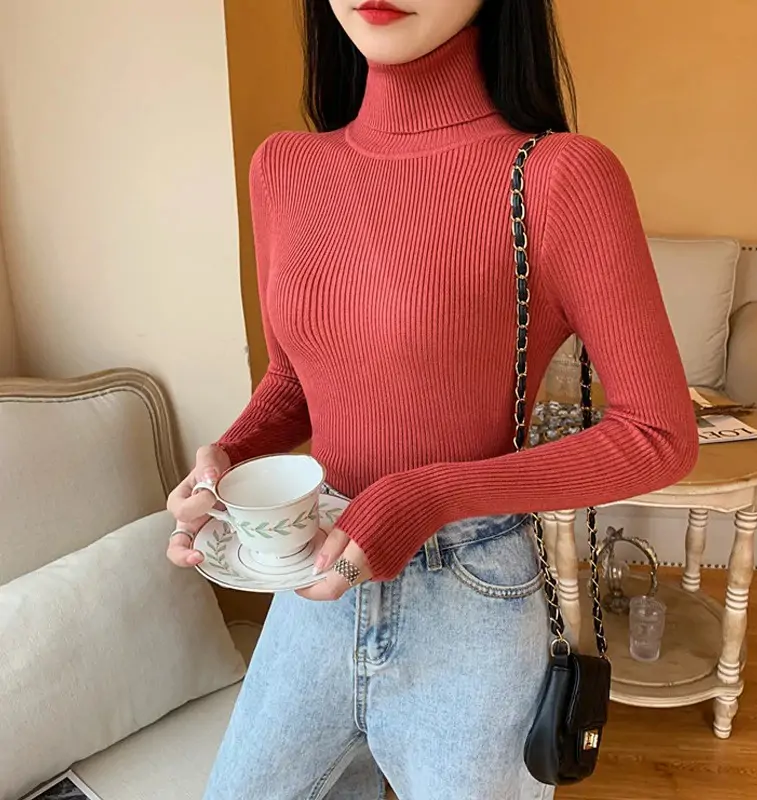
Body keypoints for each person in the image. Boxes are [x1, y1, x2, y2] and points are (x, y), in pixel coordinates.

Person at [167, 1, 698, 798]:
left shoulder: (560, 176)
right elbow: (294, 379)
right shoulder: (283, 167)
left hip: (473, 596)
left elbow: (659, 434)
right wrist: (229, 458)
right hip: (314, 573)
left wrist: (427, 497)